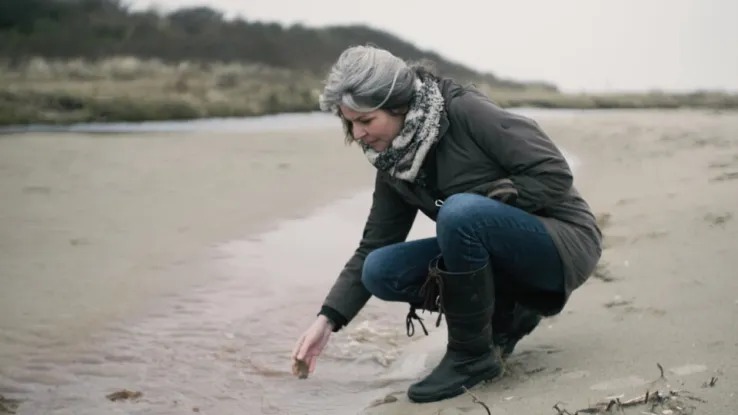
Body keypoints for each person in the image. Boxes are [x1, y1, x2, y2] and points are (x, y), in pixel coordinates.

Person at [291, 44, 603, 404]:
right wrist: (327, 320)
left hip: (562, 241)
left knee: (459, 214)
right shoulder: (394, 161)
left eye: (365, 120)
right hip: (494, 248)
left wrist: (488, 203)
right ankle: (505, 319)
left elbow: (553, 173)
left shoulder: (463, 109)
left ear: (397, 104)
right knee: (379, 270)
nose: (357, 134)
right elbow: (372, 246)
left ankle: (471, 357)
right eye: (349, 122)